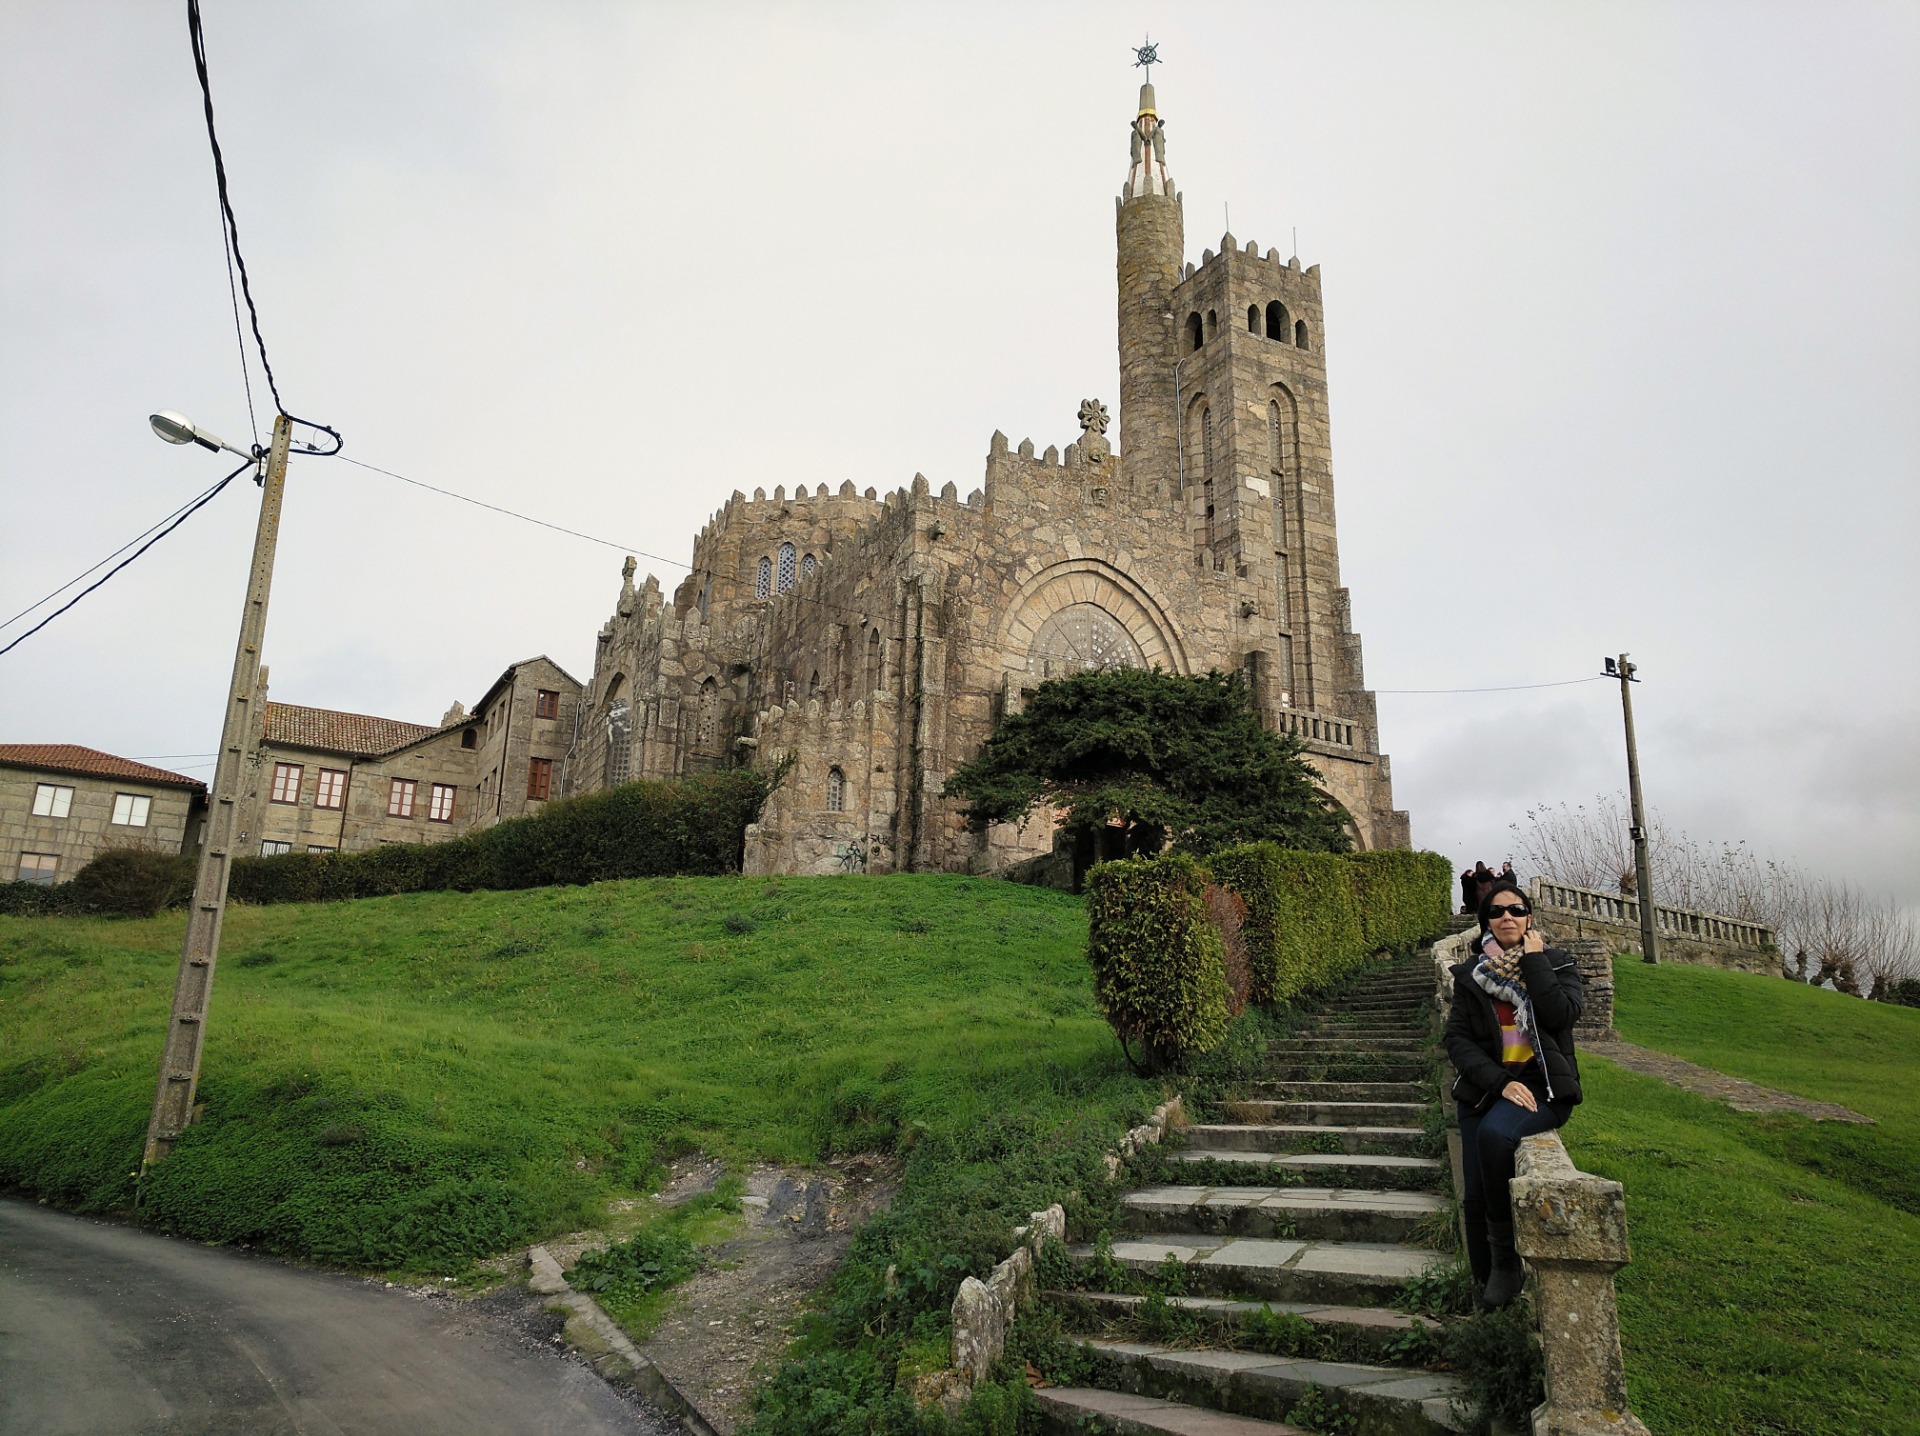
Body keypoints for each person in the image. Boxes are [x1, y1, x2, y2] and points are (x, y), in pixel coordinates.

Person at [1443, 880, 1585, 1308]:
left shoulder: (1557, 963)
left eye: (1516, 909)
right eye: (1497, 911)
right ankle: (1482, 1286)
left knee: (1496, 1137)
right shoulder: (1471, 975)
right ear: (1484, 922)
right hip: (1488, 1089)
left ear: (1528, 918)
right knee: (1472, 1193)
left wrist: (1536, 961)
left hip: (1542, 1088)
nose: (1507, 917)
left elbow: (1562, 1014)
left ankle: (1505, 1264)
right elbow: (1458, 1039)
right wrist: (1499, 1081)